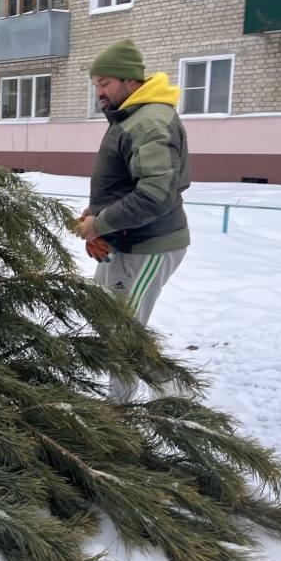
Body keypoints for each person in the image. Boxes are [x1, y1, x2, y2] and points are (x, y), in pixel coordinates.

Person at [75, 39, 191, 403]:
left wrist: (100, 223)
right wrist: (97, 216)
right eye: (96, 84)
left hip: (149, 246)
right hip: (121, 241)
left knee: (124, 332)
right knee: (105, 317)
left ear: (130, 80)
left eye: (105, 83)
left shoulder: (149, 121)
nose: (100, 92)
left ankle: (132, 408)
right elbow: (124, 182)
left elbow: (156, 193)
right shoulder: (131, 116)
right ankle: (148, 389)